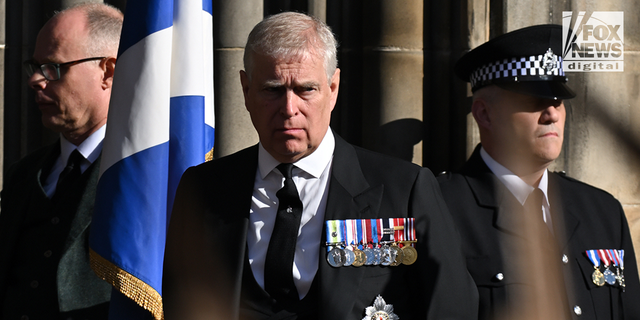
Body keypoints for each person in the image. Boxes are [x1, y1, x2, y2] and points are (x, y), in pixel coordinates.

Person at [164, 11, 478, 320]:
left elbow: (450, 308)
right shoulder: (204, 189)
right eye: (272, 90)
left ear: (333, 88)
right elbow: (182, 302)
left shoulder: (404, 189)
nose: (289, 109)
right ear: (246, 91)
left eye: (305, 89)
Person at [438, 24, 640, 320]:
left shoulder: (602, 211)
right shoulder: (440, 208)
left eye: (558, 101)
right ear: (484, 113)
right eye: (535, 101)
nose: (552, 114)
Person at [0, 3, 123, 319]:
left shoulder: (143, 173)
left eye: (53, 67)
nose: (35, 81)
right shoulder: (24, 174)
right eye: (35, 66)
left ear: (107, 71)